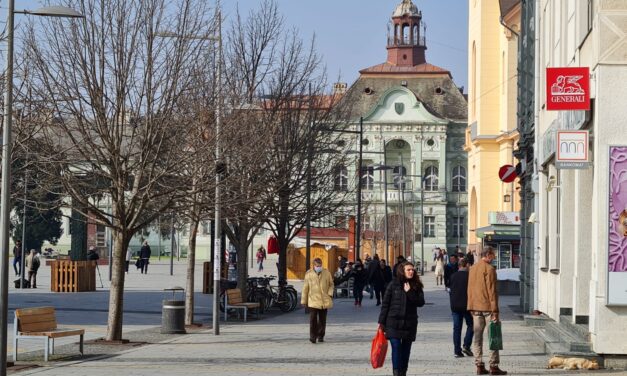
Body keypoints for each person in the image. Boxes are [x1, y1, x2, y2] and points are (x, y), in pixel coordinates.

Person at [378, 261, 425, 376]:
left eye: (412, 270)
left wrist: (410, 292)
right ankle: (397, 372)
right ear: (402, 271)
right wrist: (381, 323)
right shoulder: (393, 284)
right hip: (393, 322)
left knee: (406, 350)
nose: (411, 272)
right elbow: (385, 304)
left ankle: (403, 372)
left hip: (409, 323)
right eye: (408, 270)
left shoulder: (416, 285)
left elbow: (420, 302)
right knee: (396, 347)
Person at [467, 246, 507, 375]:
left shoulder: (472, 268)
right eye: (493, 255)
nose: (494, 257)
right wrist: (495, 311)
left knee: (477, 338)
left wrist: (470, 306)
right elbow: (492, 291)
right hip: (488, 309)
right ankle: (493, 366)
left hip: (475, 308)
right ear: (488, 254)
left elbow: (470, 289)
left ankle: (479, 365)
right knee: (493, 336)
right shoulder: (490, 269)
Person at [301, 258, 334, 344]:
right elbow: (305, 288)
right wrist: (304, 301)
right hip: (313, 300)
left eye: (320, 265)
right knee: (313, 319)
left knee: (322, 320)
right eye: (317, 266)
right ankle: (313, 337)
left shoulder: (327, 272)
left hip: (324, 300)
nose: (319, 267)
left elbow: (331, 284)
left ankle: (321, 336)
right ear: (313, 265)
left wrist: (330, 294)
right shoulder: (309, 274)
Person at [449, 258, 474, 358]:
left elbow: (450, 289)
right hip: (467, 306)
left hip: (455, 306)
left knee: (457, 329)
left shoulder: (453, 276)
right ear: (467, 265)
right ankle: (466, 346)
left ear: (459, 265)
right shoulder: (470, 276)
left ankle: (457, 351)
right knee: (471, 325)